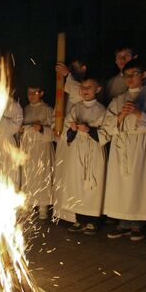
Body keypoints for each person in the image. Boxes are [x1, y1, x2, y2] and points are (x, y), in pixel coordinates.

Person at [104, 59, 146, 241]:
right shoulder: (118, 99)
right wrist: (122, 115)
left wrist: (139, 113)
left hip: (142, 145)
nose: (130, 78)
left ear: (144, 75)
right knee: (121, 184)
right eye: (127, 75)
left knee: (139, 183)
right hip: (122, 144)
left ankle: (137, 224)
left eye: (135, 74)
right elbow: (107, 126)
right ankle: (122, 222)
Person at [62, 77, 109, 235]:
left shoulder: (102, 110)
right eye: (83, 87)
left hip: (93, 149)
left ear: (98, 89)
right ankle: (79, 218)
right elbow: (66, 133)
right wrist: (73, 129)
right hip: (77, 149)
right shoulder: (75, 108)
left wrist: (89, 130)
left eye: (89, 87)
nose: (85, 90)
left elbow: (107, 133)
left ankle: (93, 221)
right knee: (76, 181)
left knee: (93, 183)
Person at [52, 58, 88, 223]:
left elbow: (79, 94)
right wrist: (56, 126)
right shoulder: (66, 87)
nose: (71, 69)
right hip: (64, 137)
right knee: (62, 173)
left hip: (78, 139)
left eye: (74, 66)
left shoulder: (86, 87)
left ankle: (77, 215)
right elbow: (58, 110)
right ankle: (62, 212)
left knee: (75, 176)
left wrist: (68, 76)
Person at [19, 86, 54, 220]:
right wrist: (21, 131)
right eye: (29, 93)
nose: (32, 95)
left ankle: (43, 208)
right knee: (27, 176)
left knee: (42, 175)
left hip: (41, 147)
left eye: (35, 93)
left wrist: (41, 129)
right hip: (27, 147)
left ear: (42, 93)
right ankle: (27, 206)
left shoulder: (47, 110)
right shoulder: (25, 110)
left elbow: (55, 131)